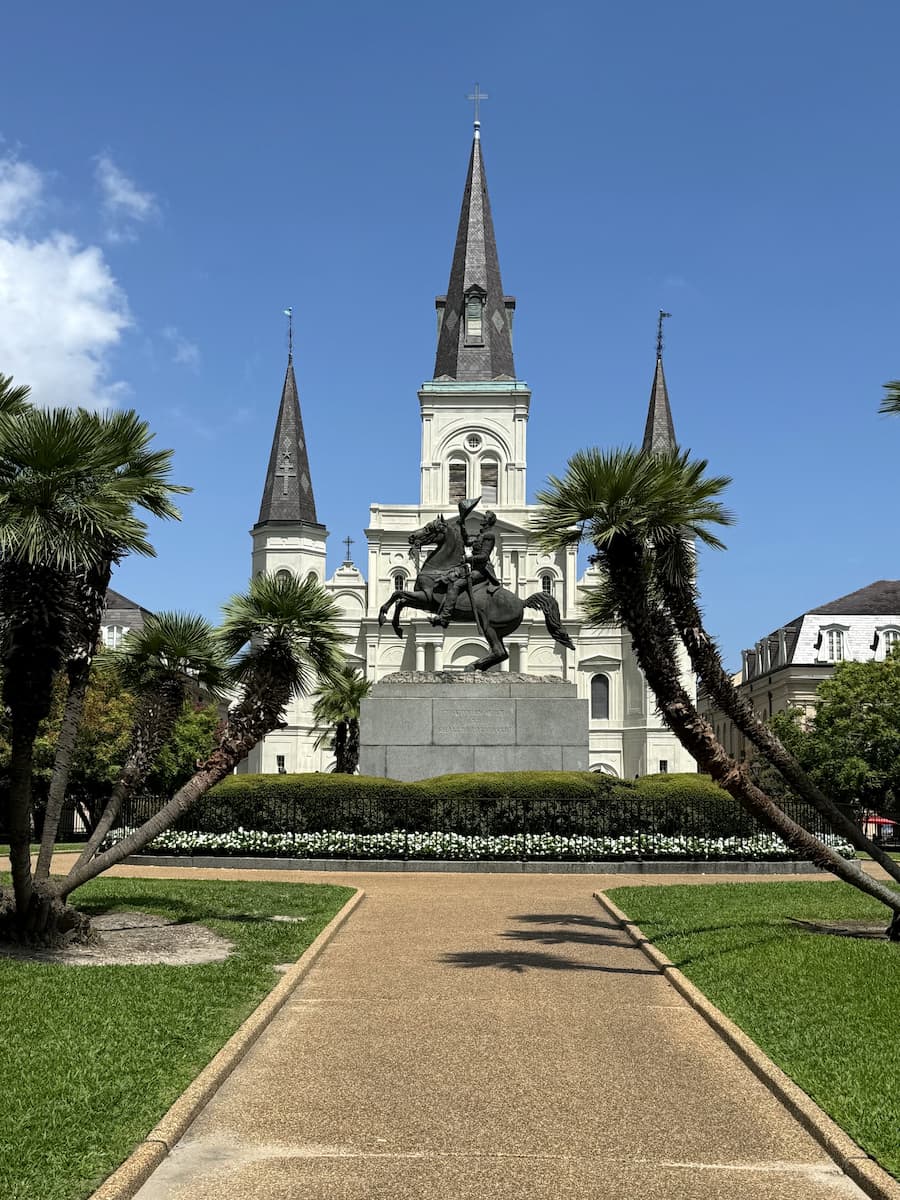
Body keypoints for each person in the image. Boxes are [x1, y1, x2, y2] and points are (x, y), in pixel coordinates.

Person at [431, 501, 499, 628]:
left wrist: (468, 559)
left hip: (481, 571)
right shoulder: (481, 535)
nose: (482, 519)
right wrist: (462, 525)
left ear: (489, 522)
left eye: (485, 518)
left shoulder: (489, 536)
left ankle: (445, 617)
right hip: (472, 568)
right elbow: (467, 542)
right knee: (449, 575)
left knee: (456, 585)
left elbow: (484, 556)